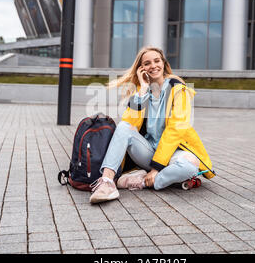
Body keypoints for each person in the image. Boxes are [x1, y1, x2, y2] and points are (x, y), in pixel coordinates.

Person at [89, 46, 215, 204]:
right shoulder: (143, 93)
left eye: (157, 61)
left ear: (163, 63)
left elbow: (175, 130)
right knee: (123, 127)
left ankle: (143, 181)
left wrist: (157, 168)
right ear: (142, 69)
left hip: (173, 152)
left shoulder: (178, 90)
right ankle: (107, 183)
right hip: (147, 151)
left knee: (191, 166)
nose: (153, 66)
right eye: (147, 63)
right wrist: (142, 90)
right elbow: (129, 123)